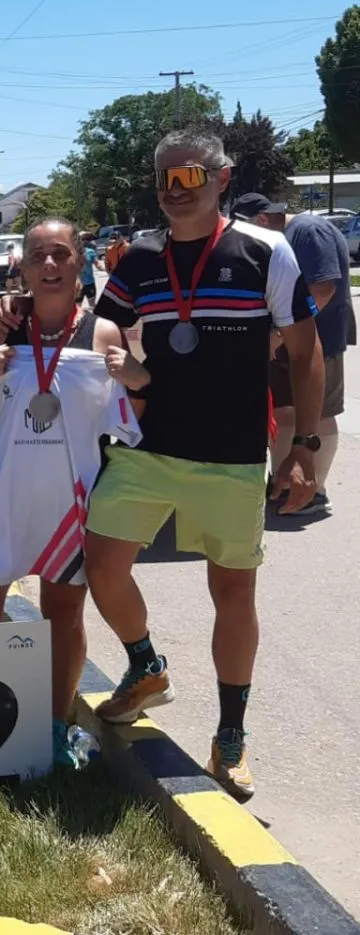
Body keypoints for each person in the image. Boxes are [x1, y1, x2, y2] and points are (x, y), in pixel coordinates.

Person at [75, 128, 320, 803]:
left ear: (222, 178)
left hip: (234, 454)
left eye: (188, 178)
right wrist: (106, 351)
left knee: (233, 596)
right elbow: (104, 323)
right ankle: (145, 665)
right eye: (164, 181)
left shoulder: (265, 252)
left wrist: (303, 449)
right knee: (101, 562)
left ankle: (231, 736)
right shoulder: (140, 257)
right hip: (148, 447)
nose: (173, 193)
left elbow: (303, 351)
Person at [0, 217, 147, 767]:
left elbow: (132, 420)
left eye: (60, 254)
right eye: (37, 255)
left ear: (79, 261)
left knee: (63, 615)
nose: (49, 266)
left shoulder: (102, 335)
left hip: (71, 503)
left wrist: (138, 382)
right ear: (22, 264)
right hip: (2, 494)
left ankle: (55, 727)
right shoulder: (1, 330)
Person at [231, 192, 352, 516]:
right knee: (284, 411)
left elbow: (323, 288)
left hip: (317, 342)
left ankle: (314, 491)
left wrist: (276, 333)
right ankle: (283, 484)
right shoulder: (285, 237)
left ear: (260, 220)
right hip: (284, 341)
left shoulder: (308, 230)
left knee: (319, 415)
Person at [79, 233, 100, 307]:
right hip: (78, 284)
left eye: (84, 240)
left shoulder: (90, 252)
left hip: (89, 283)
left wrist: (106, 269)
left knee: (92, 306)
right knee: (77, 307)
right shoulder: (72, 253)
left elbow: (97, 264)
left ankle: (93, 318)